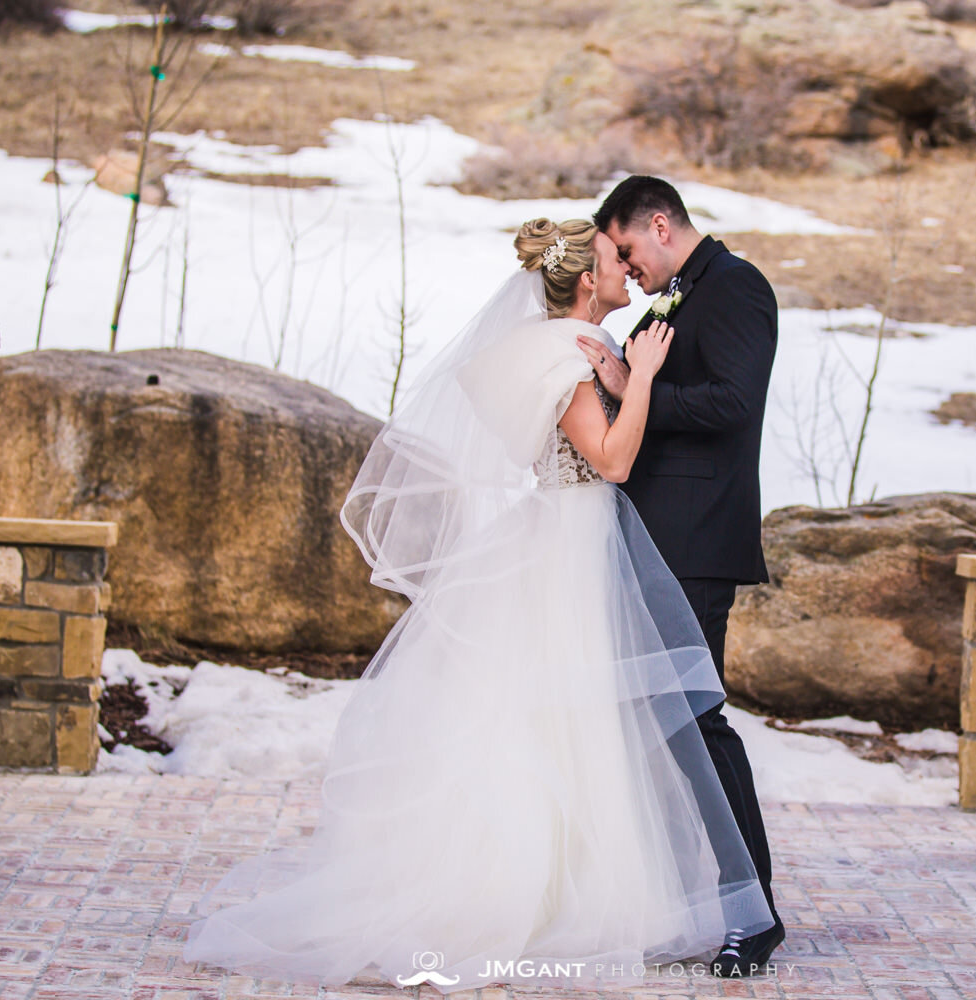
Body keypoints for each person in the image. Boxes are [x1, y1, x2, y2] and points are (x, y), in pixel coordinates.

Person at [183, 218, 774, 990]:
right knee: (567, 728)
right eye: (610, 262)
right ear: (581, 281)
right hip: (576, 544)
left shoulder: (544, 347)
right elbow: (615, 460)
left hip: (566, 534)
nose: (626, 273)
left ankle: (592, 888)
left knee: (575, 725)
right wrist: (649, 380)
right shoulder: (567, 356)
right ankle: (539, 896)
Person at [581, 175, 784, 976]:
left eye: (627, 251)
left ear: (659, 225)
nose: (626, 271)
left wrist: (637, 390)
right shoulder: (674, 298)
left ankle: (756, 911)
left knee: (699, 725)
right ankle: (695, 897)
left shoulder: (736, 289)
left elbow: (735, 402)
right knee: (664, 729)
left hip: (697, 546)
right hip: (653, 541)